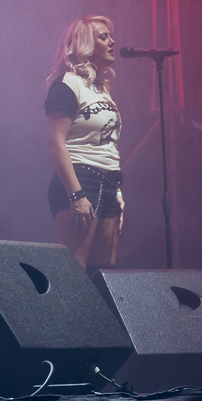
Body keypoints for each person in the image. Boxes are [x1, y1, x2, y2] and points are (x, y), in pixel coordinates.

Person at [45, 16, 125, 271]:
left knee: (104, 271)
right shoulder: (67, 84)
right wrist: (76, 195)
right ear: (85, 46)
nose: (112, 42)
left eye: (111, 36)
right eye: (104, 37)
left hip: (110, 181)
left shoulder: (102, 88)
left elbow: (108, 143)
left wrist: (118, 192)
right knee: (75, 270)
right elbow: (56, 142)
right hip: (81, 179)